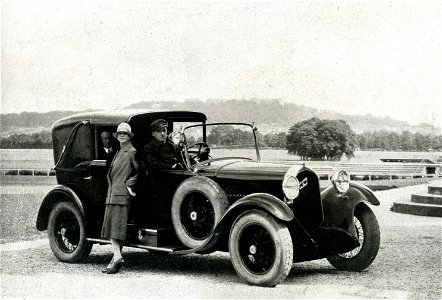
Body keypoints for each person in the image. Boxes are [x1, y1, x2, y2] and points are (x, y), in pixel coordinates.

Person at [101, 122, 139, 274]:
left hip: (121, 195)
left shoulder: (132, 152)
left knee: (114, 230)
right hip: (113, 194)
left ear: (129, 136)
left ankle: (117, 257)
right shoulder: (119, 152)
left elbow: (140, 172)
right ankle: (115, 259)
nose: (122, 135)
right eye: (120, 133)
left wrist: (129, 184)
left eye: (125, 133)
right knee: (115, 229)